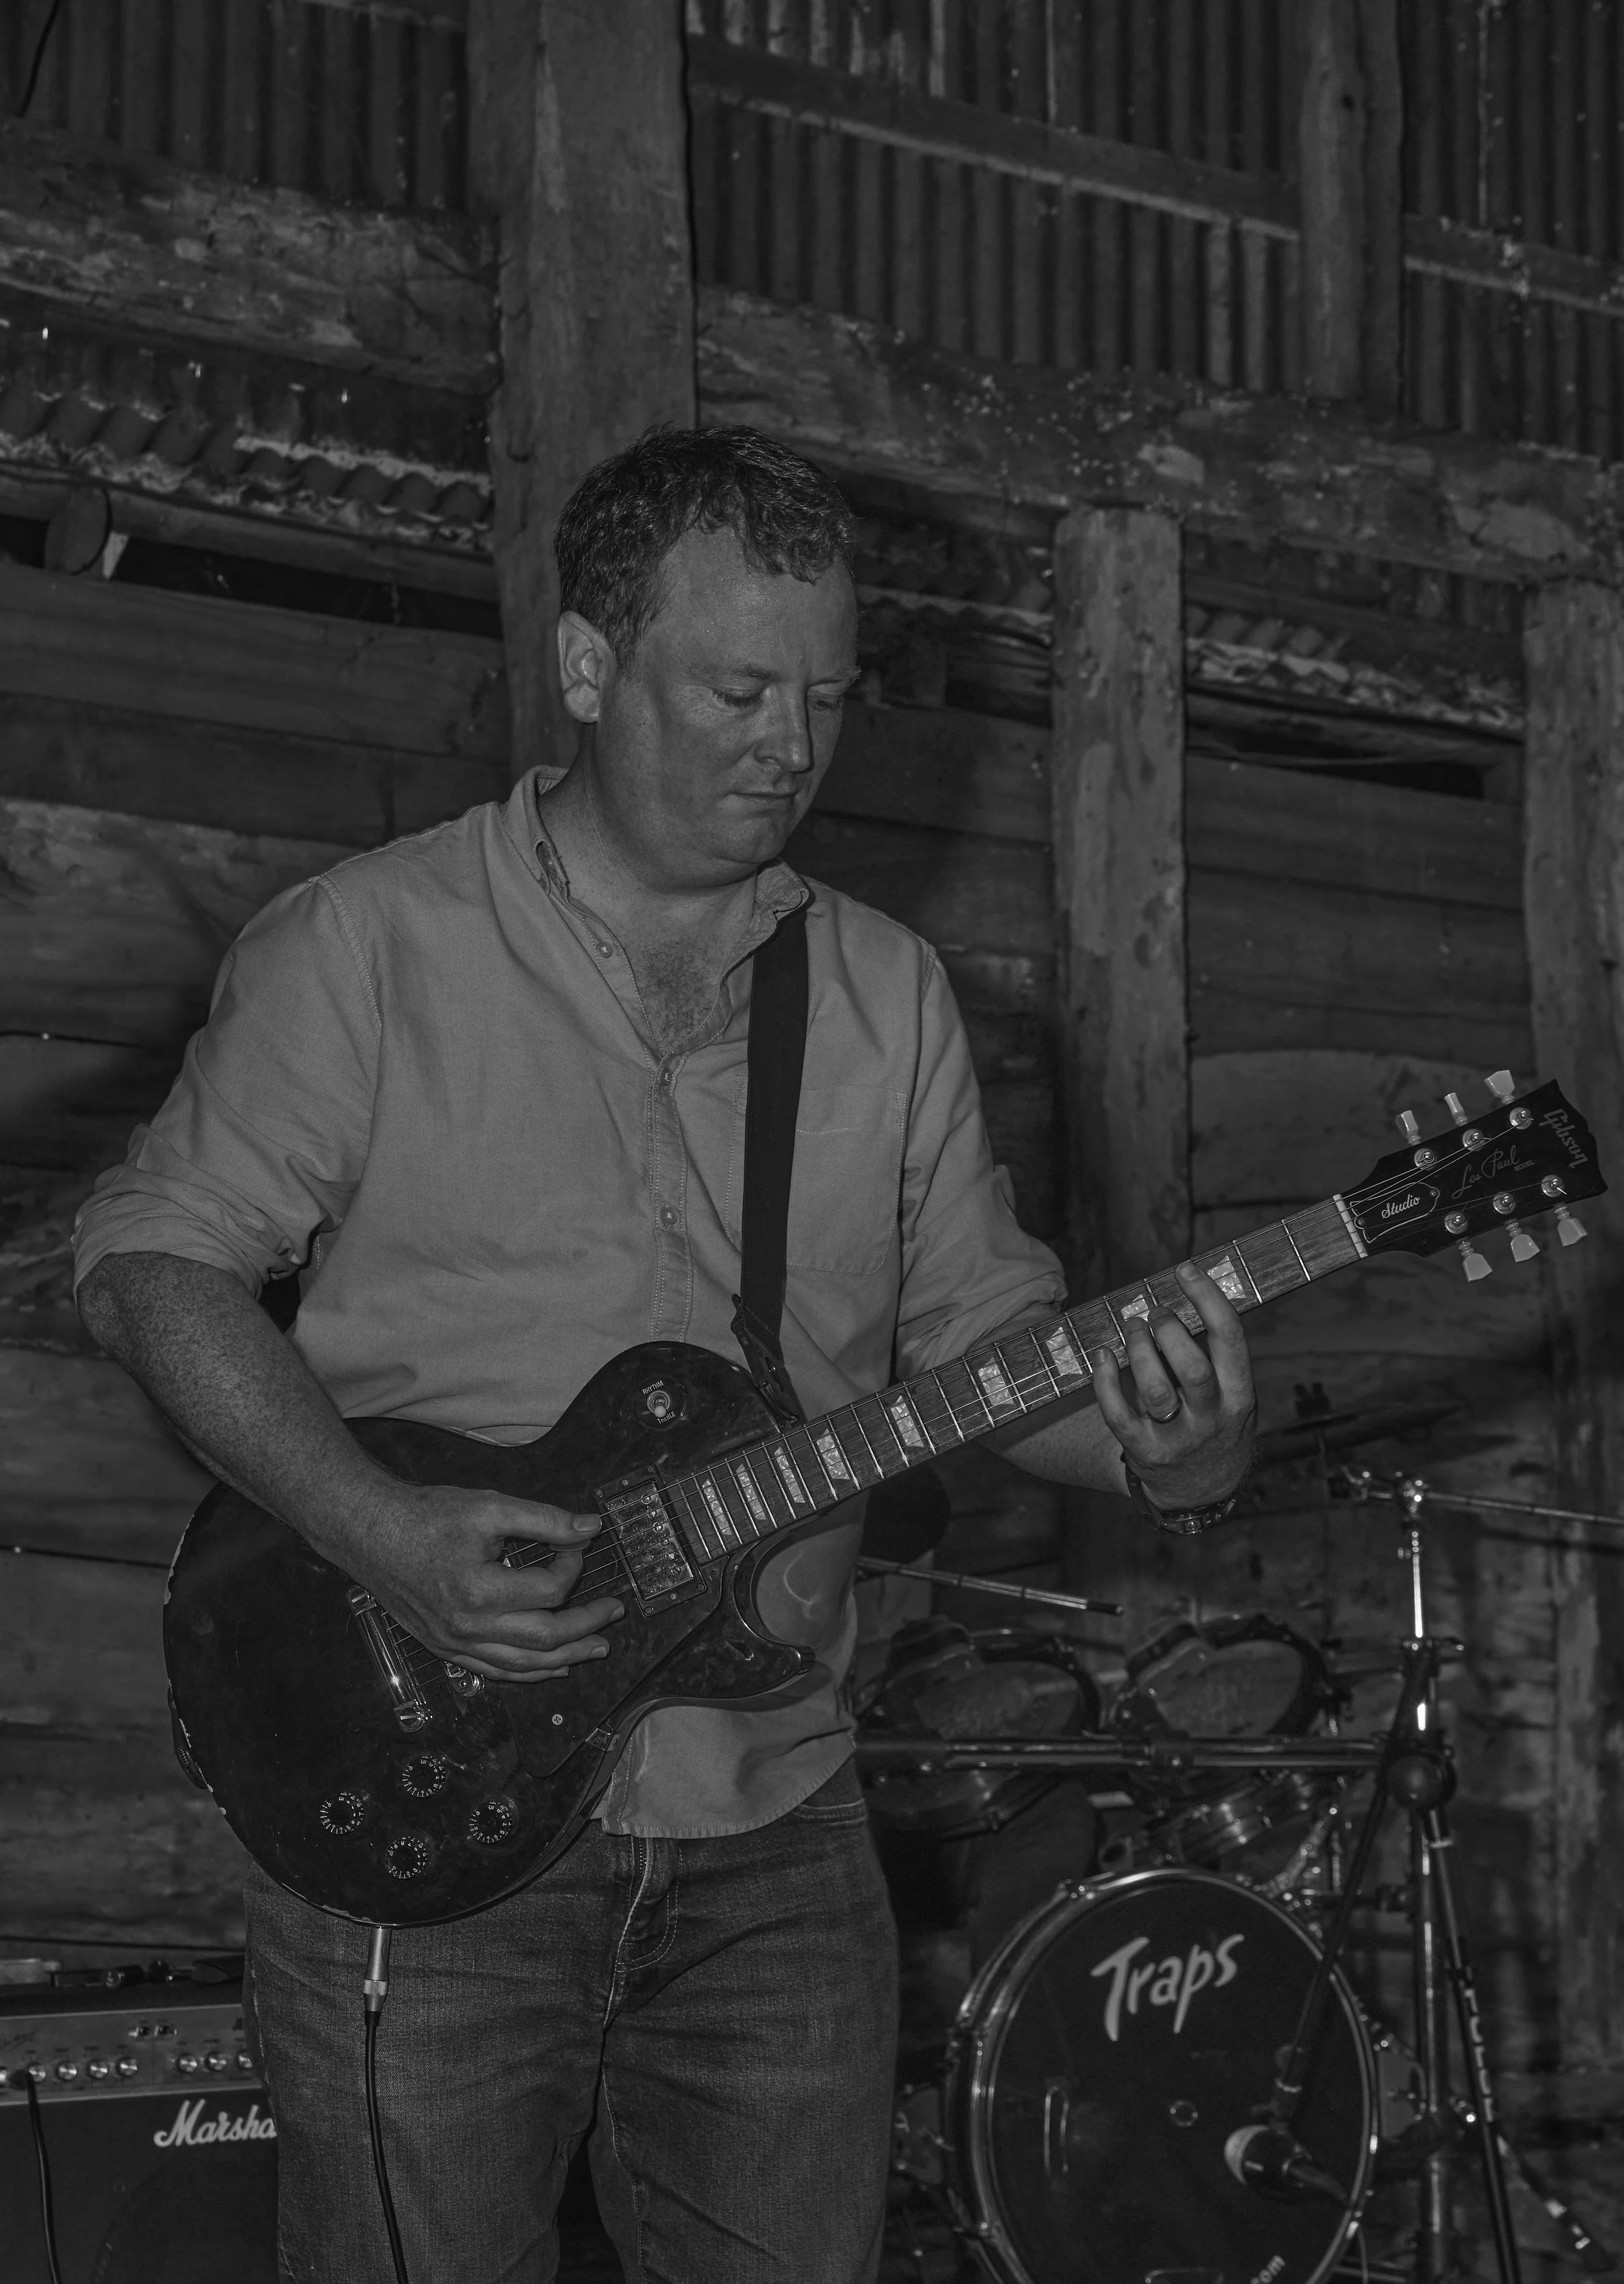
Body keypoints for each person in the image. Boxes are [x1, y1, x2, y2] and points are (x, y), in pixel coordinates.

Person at [73, 426, 1256, 2284]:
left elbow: (987, 1340)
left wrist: (1167, 1453)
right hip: (420, 1781)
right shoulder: (372, 945)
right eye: (737, 690)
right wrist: (378, 1530)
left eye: (828, 697)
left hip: (776, 1809)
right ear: (586, 665)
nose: (791, 744)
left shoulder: (884, 993)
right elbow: (153, 1264)